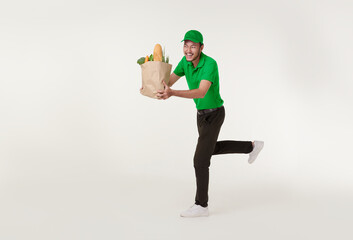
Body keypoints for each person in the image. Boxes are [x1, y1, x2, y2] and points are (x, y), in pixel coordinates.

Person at [155, 30, 264, 217]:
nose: (188, 50)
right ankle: (251, 147)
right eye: (186, 45)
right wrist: (152, 87)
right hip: (200, 115)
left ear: (201, 47)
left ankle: (201, 205)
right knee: (209, 149)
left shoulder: (210, 64)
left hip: (214, 114)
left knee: (200, 160)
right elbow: (168, 82)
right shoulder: (185, 63)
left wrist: (172, 93)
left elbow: (201, 92)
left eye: (193, 46)